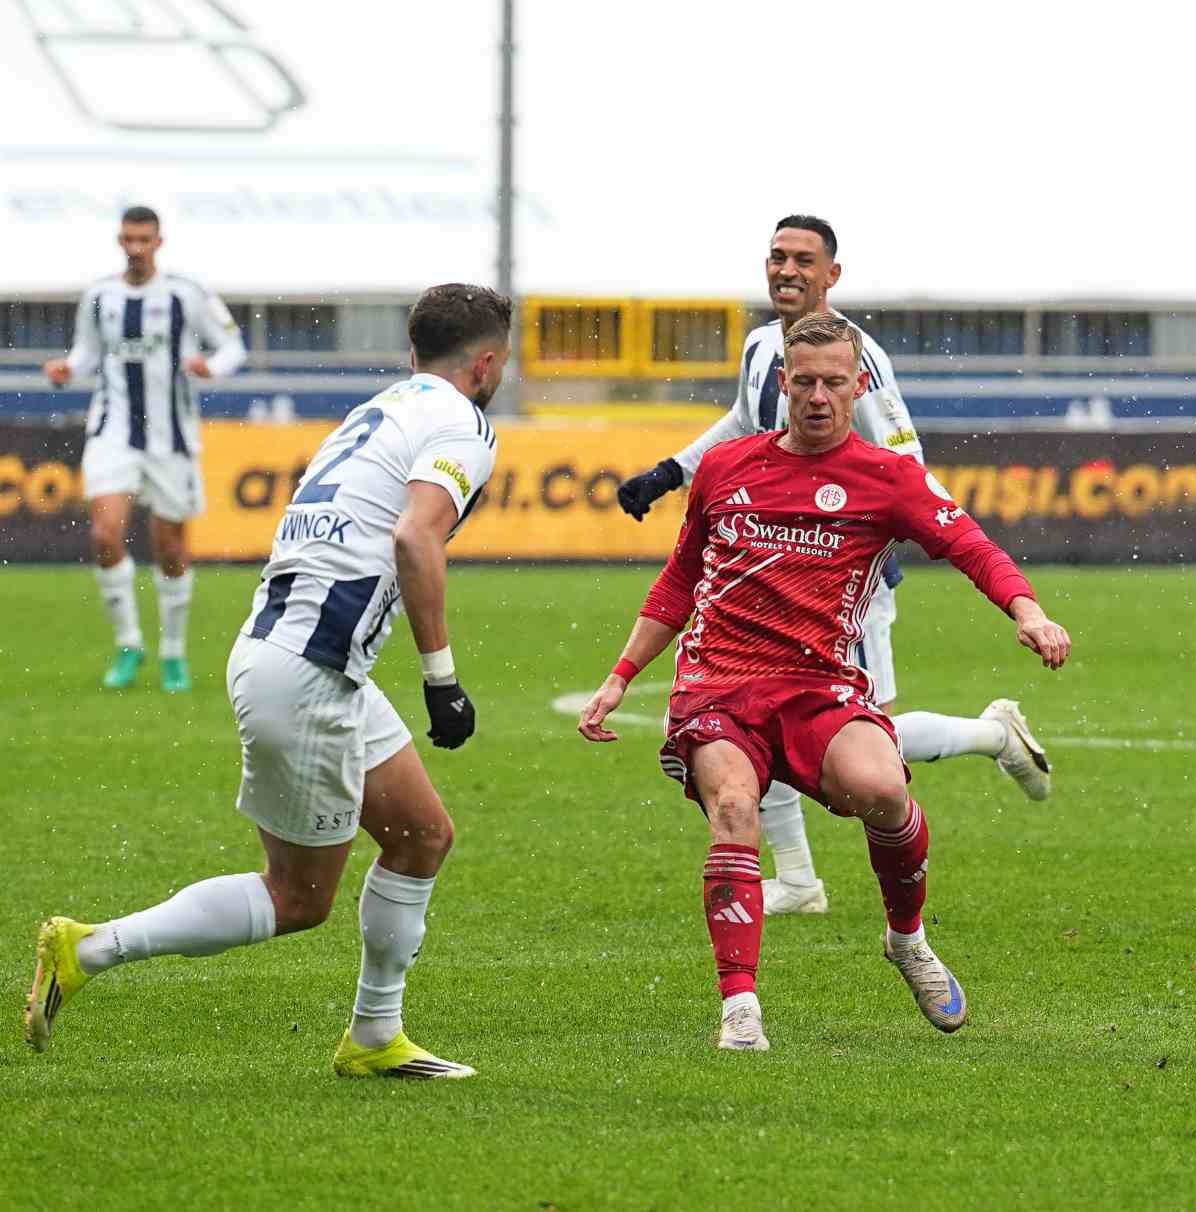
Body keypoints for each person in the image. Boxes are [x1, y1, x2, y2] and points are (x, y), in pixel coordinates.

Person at [25, 283, 511, 1080]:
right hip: (308, 675)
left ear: (413, 350)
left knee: (422, 836)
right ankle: (90, 948)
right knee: (297, 899)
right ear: (487, 363)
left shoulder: (379, 410)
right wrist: (441, 679)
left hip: (302, 657)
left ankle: (375, 1034)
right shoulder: (462, 421)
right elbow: (416, 540)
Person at [581, 313, 1071, 1051]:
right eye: (803, 381)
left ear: (858, 385)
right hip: (719, 682)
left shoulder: (888, 478)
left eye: (833, 383)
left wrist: (1027, 612)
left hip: (819, 686)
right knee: (735, 807)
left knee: (882, 791)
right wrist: (621, 675)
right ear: (783, 382)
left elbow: (969, 544)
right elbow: (681, 577)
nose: (817, 396)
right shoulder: (726, 468)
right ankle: (740, 1007)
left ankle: (908, 940)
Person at [617, 215, 1052, 918]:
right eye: (778, 257)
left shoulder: (860, 358)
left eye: (804, 261)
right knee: (758, 709)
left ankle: (992, 735)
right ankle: (796, 878)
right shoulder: (764, 346)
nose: (787, 271)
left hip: (842, 573)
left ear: (832, 276)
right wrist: (670, 471)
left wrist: (878, 542)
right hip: (765, 565)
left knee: (861, 735)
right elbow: (742, 423)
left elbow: (905, 455)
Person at [43, 205, 248, 693]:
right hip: (112, 430)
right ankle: (130, 642)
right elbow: (87, 351)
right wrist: (68, 370)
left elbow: (234, 346)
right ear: (120, 241)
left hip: (171, 435)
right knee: (105, 534)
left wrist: (212, 369)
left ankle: (173, 652)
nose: (135, 248)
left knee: (171, 546)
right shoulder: (100, 296)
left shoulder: (186, 293)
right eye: (128, 239)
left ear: (159, 242)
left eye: (144, 240)